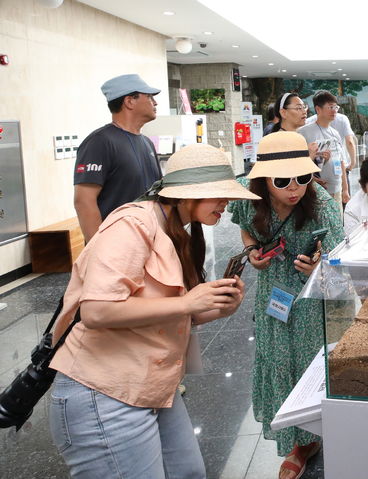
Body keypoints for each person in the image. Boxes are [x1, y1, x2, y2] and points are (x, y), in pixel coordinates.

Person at [48, 144, 259, 478]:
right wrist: (189, 302)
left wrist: (216, 308)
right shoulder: (131, 225)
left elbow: (161, 312)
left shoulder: (173, 229)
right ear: (187, 194)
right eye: (219, 194)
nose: (226, 203)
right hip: (103, 392)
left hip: (148, 384)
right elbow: (97, 311)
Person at [228, 131, 344, 479]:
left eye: (302, 177)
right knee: (278, 359)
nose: (294, 188)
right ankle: (297, 442)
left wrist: (319, 266)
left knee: (308, 364)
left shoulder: (320, 203)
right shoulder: (246, 196)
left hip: (309, 297)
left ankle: (312, 438)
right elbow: (244, 228)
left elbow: (339, 258)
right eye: (282, 180)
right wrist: (252, 251)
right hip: (272, 294)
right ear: (264, 180)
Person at [74, 74, 163, 243]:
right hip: (116, 245)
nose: (155, 102)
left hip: (147, 239)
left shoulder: (146, 143)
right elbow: (84, 201)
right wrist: (98, 248)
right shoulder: (99, 141)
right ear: (129, 101)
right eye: (149, 97)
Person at [298, 91, 351, 212]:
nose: (334, 111)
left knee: (337, 225)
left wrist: (345, 189)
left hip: (337, 189)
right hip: (318, 190)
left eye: (336, 107)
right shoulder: (304, 132)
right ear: (318, 109)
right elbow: (299, 164)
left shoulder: (335, 133)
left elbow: (341, 162)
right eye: (330, 107)